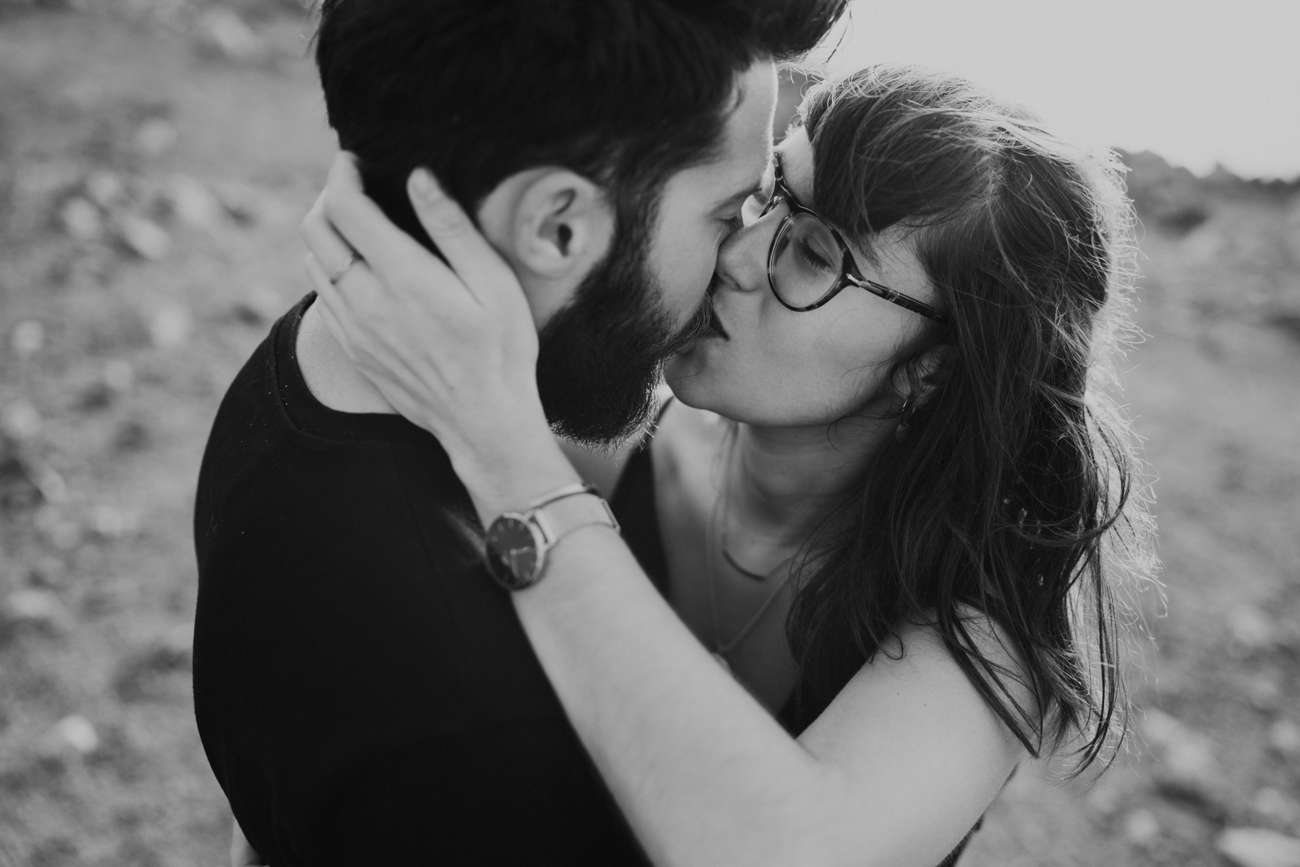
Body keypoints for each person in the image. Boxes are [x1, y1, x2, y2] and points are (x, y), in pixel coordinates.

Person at [299, 65, 1159, 867]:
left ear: (929, 371)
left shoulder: (980, 631)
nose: (739, 257)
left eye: (817, 254)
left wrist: (509, 460)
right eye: (768, 194)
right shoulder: (598, 453)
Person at [191, 1, 846, 864]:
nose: (740, 260)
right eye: (726, 215)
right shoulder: (488, 734)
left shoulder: (302, 369)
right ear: (555, 226)